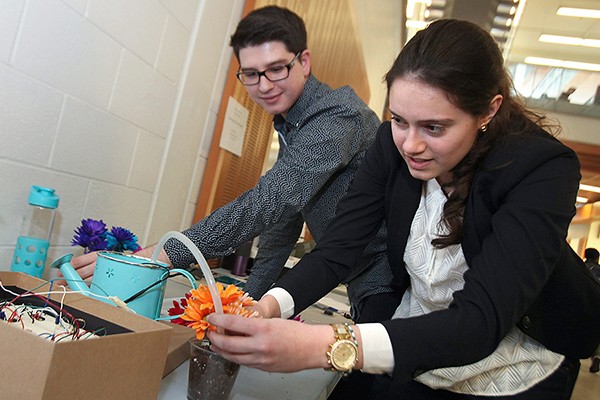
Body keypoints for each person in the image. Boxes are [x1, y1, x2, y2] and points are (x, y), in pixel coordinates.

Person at [204, 19, 600, 399]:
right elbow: (338, 250)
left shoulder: (541, 168)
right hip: (418, 343)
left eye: (434, 127)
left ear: (488, 111)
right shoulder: (389, 144)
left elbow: (480, 323)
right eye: (399, 120)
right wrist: (267, 306)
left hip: (512, 367)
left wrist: (321, 345)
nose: (410, 144)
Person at [68, 6, 397, 322]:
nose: (264, 85)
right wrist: (247, 303)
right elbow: (282, 226)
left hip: (385, 281)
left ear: (304, 61)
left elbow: (269, 202)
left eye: (277, 68)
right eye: (251, 74)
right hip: (359, 278)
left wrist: (153, 258)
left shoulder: (337, 118)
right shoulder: (291, 124)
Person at [584, 247, 600, 373]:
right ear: (597, 258)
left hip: (580, 302)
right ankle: (597, 355)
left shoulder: (579, 266)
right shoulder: (599, 270)